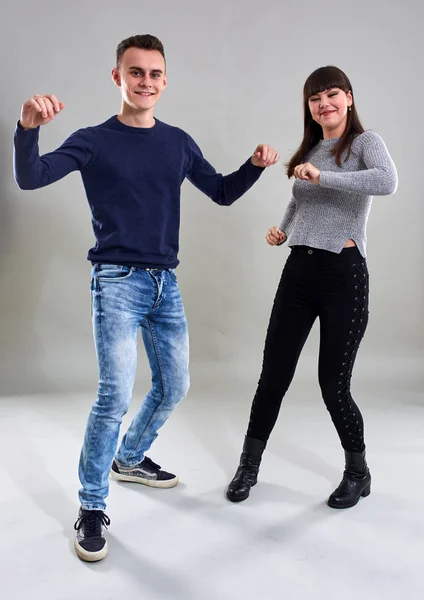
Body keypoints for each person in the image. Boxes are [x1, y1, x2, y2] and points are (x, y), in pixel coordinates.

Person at [13, 34, 279, 562]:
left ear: (165, 80)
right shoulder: (92, 139)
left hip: (165, 284)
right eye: (136, 73)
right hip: (115, 281)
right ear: (118, 77)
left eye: (155, 74)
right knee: (113, 396)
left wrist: (255, 165)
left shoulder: (177, 142)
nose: (147, 82)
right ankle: (92, 508)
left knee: (175, 385)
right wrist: (26, 130)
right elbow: (30, 177)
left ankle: (129, 458)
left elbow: (222, 191)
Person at [226, 65, 397, 509]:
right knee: (273, 376)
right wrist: (283, 229)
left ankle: (358, 473)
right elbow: (300, 197)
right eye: (315, 98)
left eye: (332, 95)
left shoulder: (364, 143)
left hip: (343, 275)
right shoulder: (312, 148)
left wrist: (326, 177)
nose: (324, 104)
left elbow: (386, 181)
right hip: (298, 273)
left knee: (332, 383)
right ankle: (249, 466)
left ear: (349, 98)